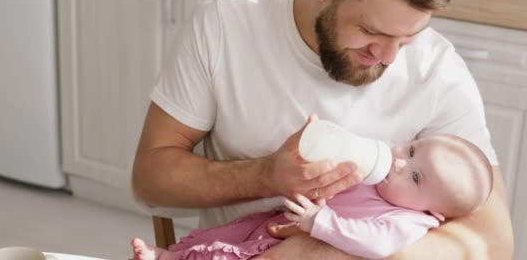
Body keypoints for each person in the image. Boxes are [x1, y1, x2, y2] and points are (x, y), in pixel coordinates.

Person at [132, 0, 513, 258]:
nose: (389, 57)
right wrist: (265, 176)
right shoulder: (225, 26)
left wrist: (324, 251)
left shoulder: (438, 72)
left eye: (409, 38)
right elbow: (149, 180)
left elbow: (493, 242)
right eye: (370, 31)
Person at [131, 134, 494, 260]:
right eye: (412, 150)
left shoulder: (410, 222)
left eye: (415, 176)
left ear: (434, 212)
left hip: (301, 231)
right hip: (279, 221)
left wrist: (320, 222)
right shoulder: (381, 172)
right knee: (221, 239)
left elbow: (376, 243)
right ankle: (167, 255)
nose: (399, 161)